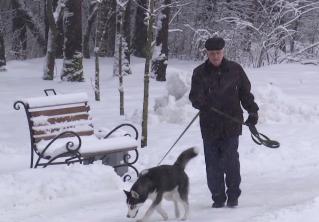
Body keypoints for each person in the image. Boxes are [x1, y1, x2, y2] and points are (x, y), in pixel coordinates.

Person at [189, 37, 259, 208]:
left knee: (230, 161)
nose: (215, 57)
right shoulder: (199, 72)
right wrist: (200, 102)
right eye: (212, 53)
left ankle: (233, 195)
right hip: (209, 125)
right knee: (212, 164)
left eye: (218, 53)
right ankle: (218, 197)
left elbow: (245, 93)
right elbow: (194, 96)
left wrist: (253, 110)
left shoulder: (235, 70)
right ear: (207, 53)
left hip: (231, 124)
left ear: (223, 52)